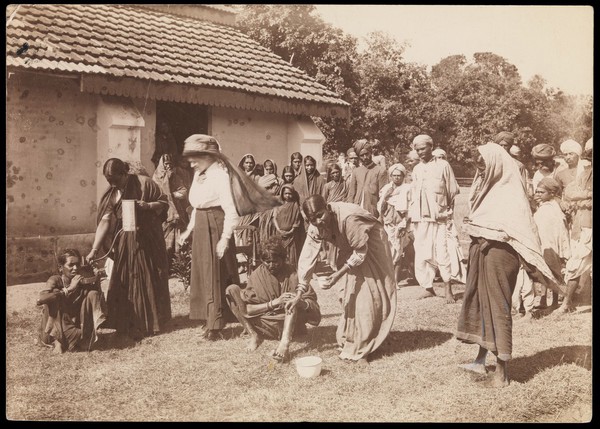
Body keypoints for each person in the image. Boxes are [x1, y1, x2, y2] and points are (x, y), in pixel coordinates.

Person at [456, 142, 564, 387]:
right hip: (481, 251)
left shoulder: (510, 193)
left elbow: (514, 231)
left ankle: (502, 371)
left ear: (496, 164)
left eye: (483, 165)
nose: (480, 169)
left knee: (498, 307)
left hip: (499, 255)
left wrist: (481, 229)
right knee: (481, 304)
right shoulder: (486, 189)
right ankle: (480, 360)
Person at [179, 135, 280, 341]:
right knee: (204, 274)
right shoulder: (200, 174)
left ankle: (216, 325)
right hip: (200, 225)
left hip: (215, 225)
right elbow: (197, 206)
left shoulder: (219, 175)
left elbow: (230, 211)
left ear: (207, 155)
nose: (191, 162)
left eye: (194, 157)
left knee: (215, 273)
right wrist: (189, 230)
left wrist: (224, 239)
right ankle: (209, 319)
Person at [296, 195, 397, 365]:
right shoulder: (315, 226)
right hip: (347, 247)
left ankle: (363, 348)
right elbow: (308, 255)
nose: (319, 221)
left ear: (328, 208)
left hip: (370, 245)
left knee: (367, 298)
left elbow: (360, 253)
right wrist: (300, 289)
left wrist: (337, 275)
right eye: (313, 219)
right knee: (347, 294)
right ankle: (351, 339)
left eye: (320, 215)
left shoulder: (349, 218)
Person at [86, 158, 171, 340]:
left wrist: (147, 206)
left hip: (147, 239)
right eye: (109, 181)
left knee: (146, 277)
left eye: (116, 180)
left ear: (125, 173)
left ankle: (150, 323)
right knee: (125, 278)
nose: (113, 184)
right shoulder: (112, 193)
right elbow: (105, 221)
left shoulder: (144, 183)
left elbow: (164, 203)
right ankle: (125, 322)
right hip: (125, 241)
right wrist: (94, 249)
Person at [225, 236, 321, 361]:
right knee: (231, 289)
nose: (271, 265)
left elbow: (312, 305)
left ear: (283, 259)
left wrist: (298, 301)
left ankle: (284, 344)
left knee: (291, 303)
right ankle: (254, 335)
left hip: (291, 323)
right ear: (262, 260)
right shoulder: (256, 276)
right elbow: (248, 310)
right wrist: (275, 302)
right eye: (267, 261)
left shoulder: (294, 274)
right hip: (265, 323)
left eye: (275, 261)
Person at [409, 134, 460, 303]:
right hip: (420, 219)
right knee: (422, 252)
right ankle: (428, 287)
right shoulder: (416, 169)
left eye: (423, 148)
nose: (420, 152)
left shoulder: (443, 165)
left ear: (431, 147)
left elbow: (452, 190)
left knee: (442, 252)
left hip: (439, 217)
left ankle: (448, 289)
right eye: (417, 150)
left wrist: (447, 212)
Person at [37, 249, 113, 353]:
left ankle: (85, 339)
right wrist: (68, 290)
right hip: (55, 330)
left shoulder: (81, 280)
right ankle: (57, 342)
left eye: (77, 264)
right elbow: (41, 299)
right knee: (54, 295)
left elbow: (97, 300)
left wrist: (96, 278)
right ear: (60, 268)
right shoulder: (55, 280)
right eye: (71, 265)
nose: (75, 268)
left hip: (73, 327)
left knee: (92, 294)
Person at [560, 138, 592, 313]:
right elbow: (570, 192)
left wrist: (584, 198)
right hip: (586, 225)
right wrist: (587, 196)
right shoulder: (585, 173)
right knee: (577, 262)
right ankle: (566, 304)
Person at [531, 177, 571, 311]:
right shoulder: (542, 207)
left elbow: (559, 230)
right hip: (542, 243)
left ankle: (554, 301)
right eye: (537, 192)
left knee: (553, 271)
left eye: (541, 192)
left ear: (552, 194)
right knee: (543, 269)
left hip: (551, 245)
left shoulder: (553, 209)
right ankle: (543, 298)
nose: (537, 195)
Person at [151, 153, 191, 265]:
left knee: (179, 241)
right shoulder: (155, 179)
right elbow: (154, 194)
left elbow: (183, 191)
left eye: (169, 164)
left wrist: (173, 195)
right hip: (163, 212)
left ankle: (178, 265)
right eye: (166, 163)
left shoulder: (176, 177)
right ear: (161, 164)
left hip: (177, 211)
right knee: (164, 241)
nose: (168, 166)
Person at [377, 163, 412, 287]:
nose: (397, 178)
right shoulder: (386, 188)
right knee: (386, 251)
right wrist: (387, 196)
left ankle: (395, 281)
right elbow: (380, 206)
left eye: (399, 175)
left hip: (400, 224)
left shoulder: (407, 188)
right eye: (394, 175)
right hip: (388, 223)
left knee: (398, 252)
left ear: (403, 176)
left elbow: (409, 209)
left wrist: (404, 225)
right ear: (391, 176)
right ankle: (387, 280)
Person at [346, 139, 388, 217]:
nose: (365, 157)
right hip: (357, 210)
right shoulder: (356, 171)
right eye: (362, 155)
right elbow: (351, 193)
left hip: (373, 212)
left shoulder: (380, 171)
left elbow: (384, 195)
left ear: (371, 153)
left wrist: (381, 215)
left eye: (367, 154)